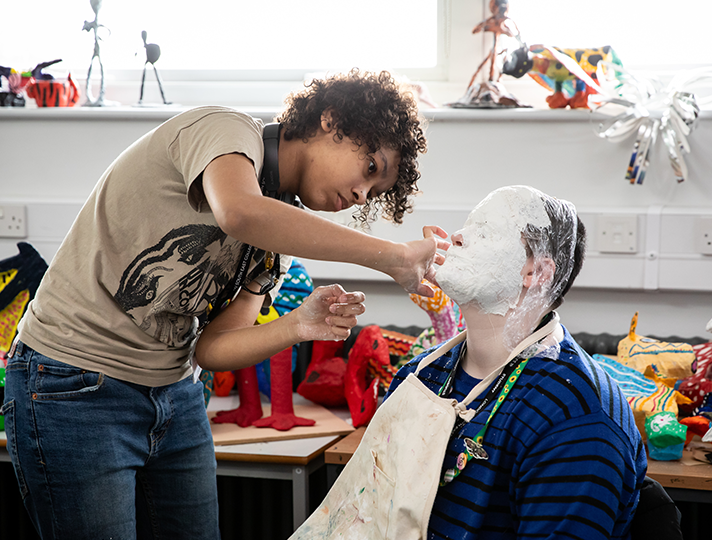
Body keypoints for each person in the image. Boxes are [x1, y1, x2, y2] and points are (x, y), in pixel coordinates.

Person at [2, 69, 448, 539]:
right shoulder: (226, 131)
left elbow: (213, 348)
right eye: (370, 168)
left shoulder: (274, 241)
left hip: (174, 396)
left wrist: (298, 325)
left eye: (373, 195)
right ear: (329, 120)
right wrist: (392, 257)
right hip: (74, 386)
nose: (361, 194)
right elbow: (239, 212)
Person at [385, 185, 648, 539]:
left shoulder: (576, 416)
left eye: (486, 233)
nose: (459, 237)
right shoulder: (418, 379)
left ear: (536, 273)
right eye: (467, 226)